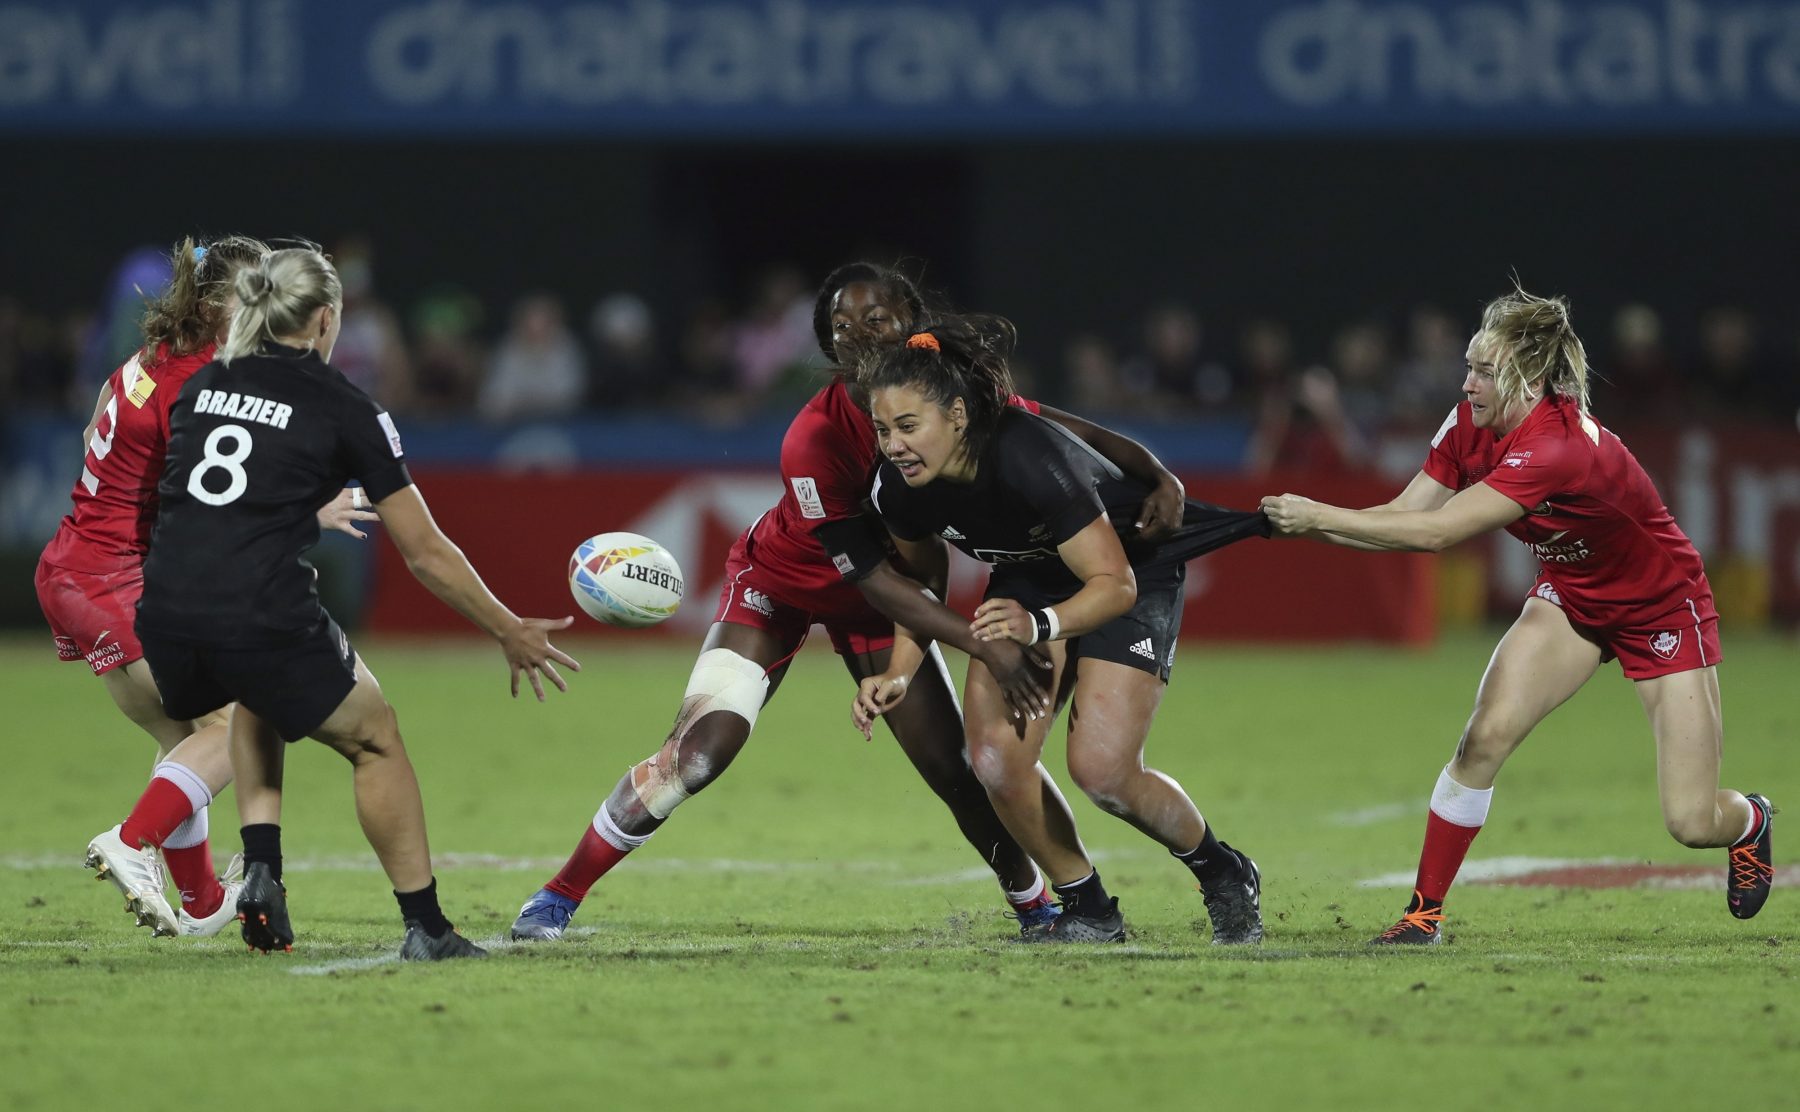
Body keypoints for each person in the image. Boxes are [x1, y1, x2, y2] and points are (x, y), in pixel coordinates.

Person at [509, 262, 1191, 940]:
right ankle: (556, 896)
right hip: (781, 587)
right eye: (841, 325)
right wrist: (982, 642)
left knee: (959, 771)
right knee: (697, 753)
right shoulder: (815, 437)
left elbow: (1057, 432)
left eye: (877, 319)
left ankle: (1038, 906)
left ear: (912, 328)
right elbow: (869, 573)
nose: (859, 335)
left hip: (884, 608)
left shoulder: (953, 401)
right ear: (828, 345)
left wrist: (1154, 471)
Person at [1260, 286, 1774, 945]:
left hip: (1661, 607)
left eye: (1485, 370)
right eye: (1468, 366)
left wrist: (1314, 516)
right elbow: (1406, 513)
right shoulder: (1468, 419)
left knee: (1690, 821)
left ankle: (1751, 821)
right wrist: (1308, 527)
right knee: (1483, 738)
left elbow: (1435, 538)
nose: (1468, 383)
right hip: (1571, 594)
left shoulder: (1554, 448)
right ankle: (1424, 915)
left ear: (1530, 378)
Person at [136, 244, 579, 960]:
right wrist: (508, 628)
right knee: (375, 737)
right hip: (255, 610)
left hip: (164, 613)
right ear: (323, 319)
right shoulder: (345, 406)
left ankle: (262, 872)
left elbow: (218, 486)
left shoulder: (203, 383)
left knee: (257, 691)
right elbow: (425, 552)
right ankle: (427, 927)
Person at [847, 320, 1270, 944]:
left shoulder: (1028, 456)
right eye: (883, 430)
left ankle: (1223, 870)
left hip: (1128, 570)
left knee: (1104, 772)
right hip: (1031, 579)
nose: (895, 445)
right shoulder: (899, 490)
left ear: (958, 415)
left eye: (909, 426)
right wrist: (900, 671)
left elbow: (1114, 583)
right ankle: (1089, 908)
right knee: (994, 760)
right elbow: (925, 586)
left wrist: (1037, 624)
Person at [37, 234, 374, 939]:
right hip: (116, 576)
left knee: (185, 732)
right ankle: (131, 841)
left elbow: (100, 428)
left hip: (74, 567)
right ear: (225, 302)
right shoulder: (200, 378)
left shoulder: (151, 357)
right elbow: (211, 498)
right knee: (244, 720)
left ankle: (197, 901)